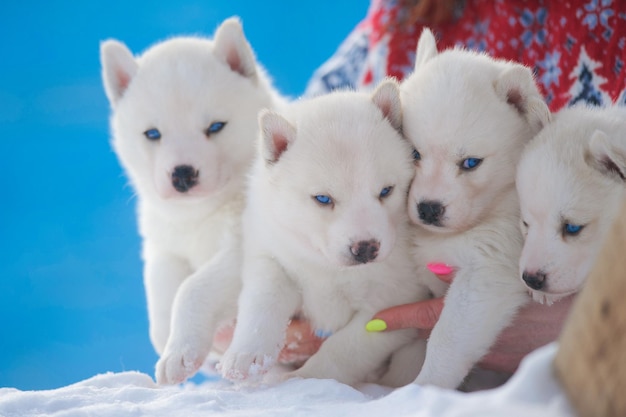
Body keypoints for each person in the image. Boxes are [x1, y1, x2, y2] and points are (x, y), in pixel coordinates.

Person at [218, 0, 626, 378]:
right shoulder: (400, 16)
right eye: (414, 154)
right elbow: (306, 153)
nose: (429, 196)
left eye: (469, 165)